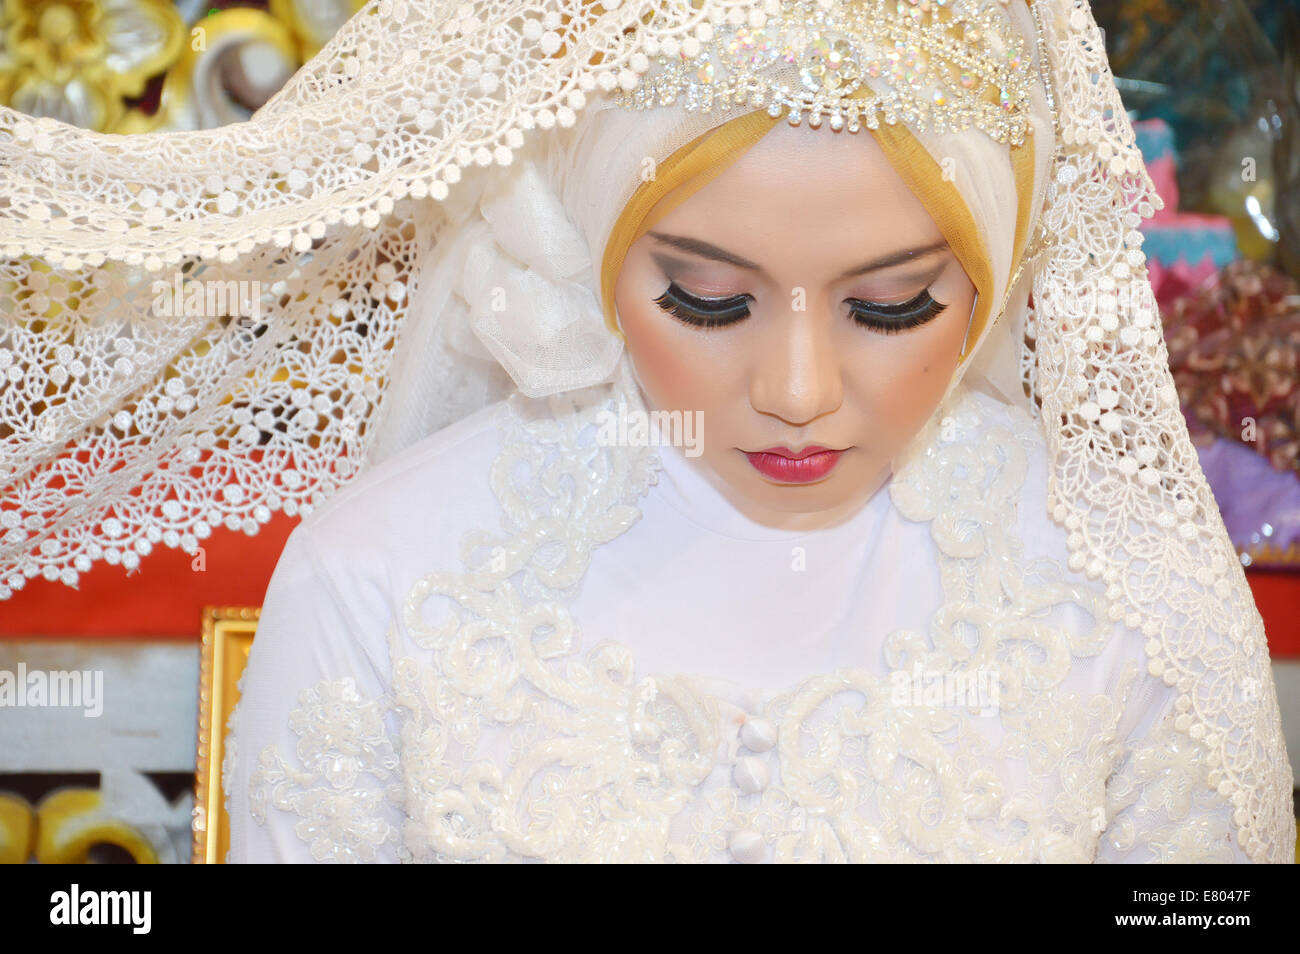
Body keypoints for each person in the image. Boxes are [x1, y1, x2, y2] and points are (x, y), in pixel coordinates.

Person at [1, 0, 1293, 862]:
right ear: (584, 245)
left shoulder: (1126, 597)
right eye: (707, 297)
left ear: (1000, 278)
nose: (797, 386)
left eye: (892, 304)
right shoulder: (383, 576)